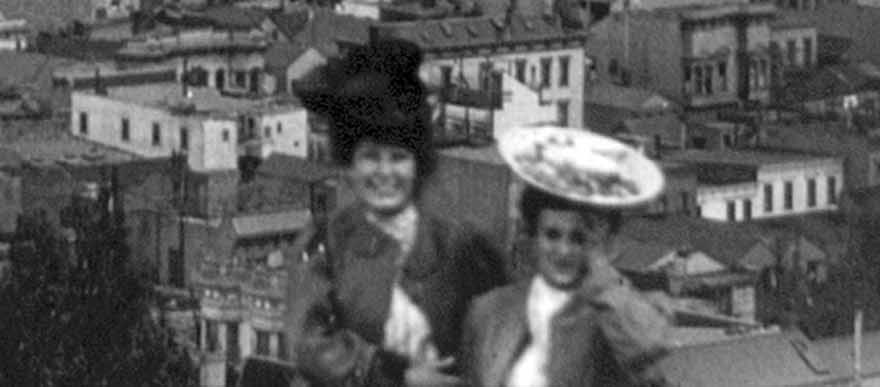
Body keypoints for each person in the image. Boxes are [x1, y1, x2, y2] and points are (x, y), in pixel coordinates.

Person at [287, 39, 507, 387]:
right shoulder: (326, 246)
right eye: (371, 157)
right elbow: (309, 346)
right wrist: (394, 374)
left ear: (418, 164)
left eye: (398, 157)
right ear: (351, 166)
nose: (385, 173)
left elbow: (501, 333)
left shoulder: (461, 247)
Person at [462, 184, 670, 387]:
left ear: (604, 244)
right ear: (533, 238)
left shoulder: (624, 311)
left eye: (578, 239)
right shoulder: (489, 310)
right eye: (552, 235)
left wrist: (601, 272)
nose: (563, 251)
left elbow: (647, 350)